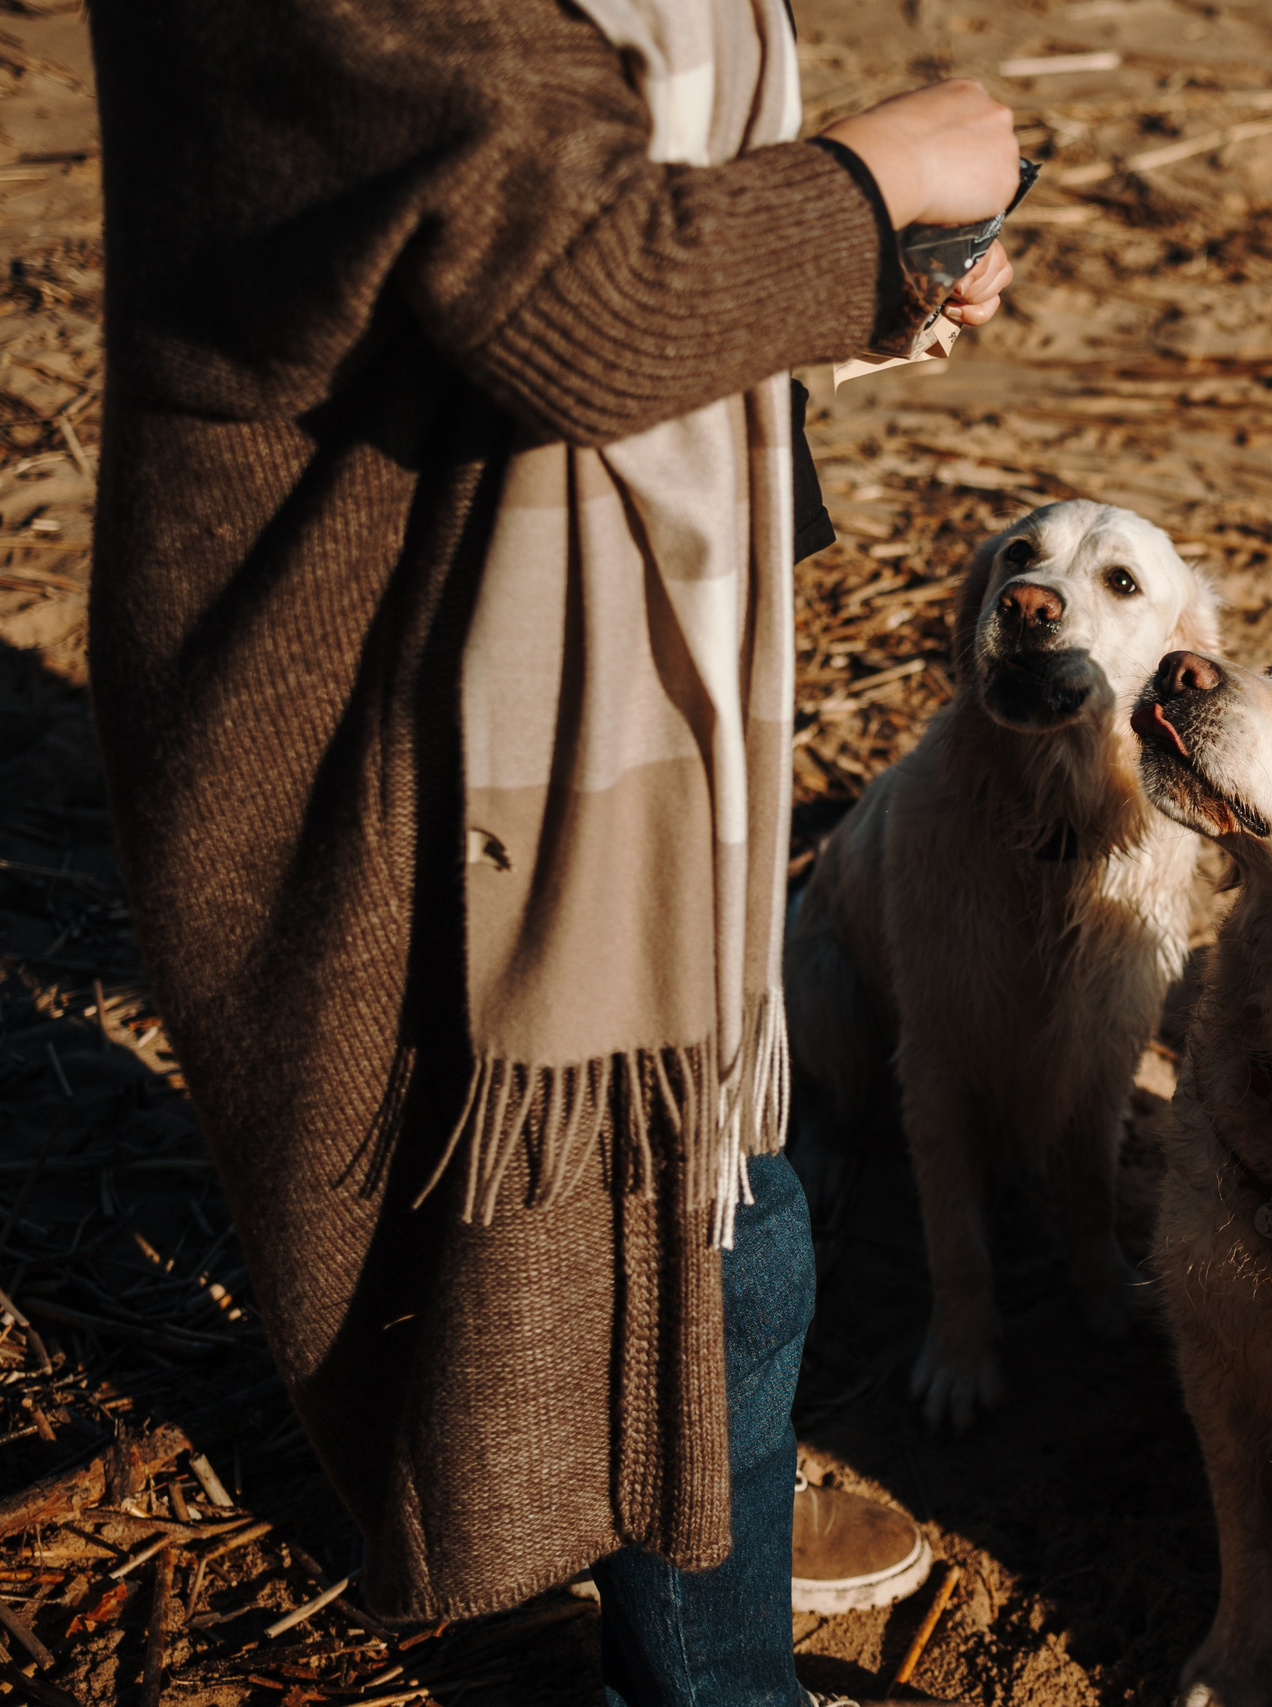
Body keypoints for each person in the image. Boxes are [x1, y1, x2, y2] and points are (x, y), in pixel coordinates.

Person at [81, 3, 1015, 1701]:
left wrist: (845, 269)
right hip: (387, 695)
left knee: (700, 1204)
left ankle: (668, 1487)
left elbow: (558, 194)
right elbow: (581, 290)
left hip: (569, 693)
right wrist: (870, 184)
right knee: (702, 1226)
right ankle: (694, 1611)